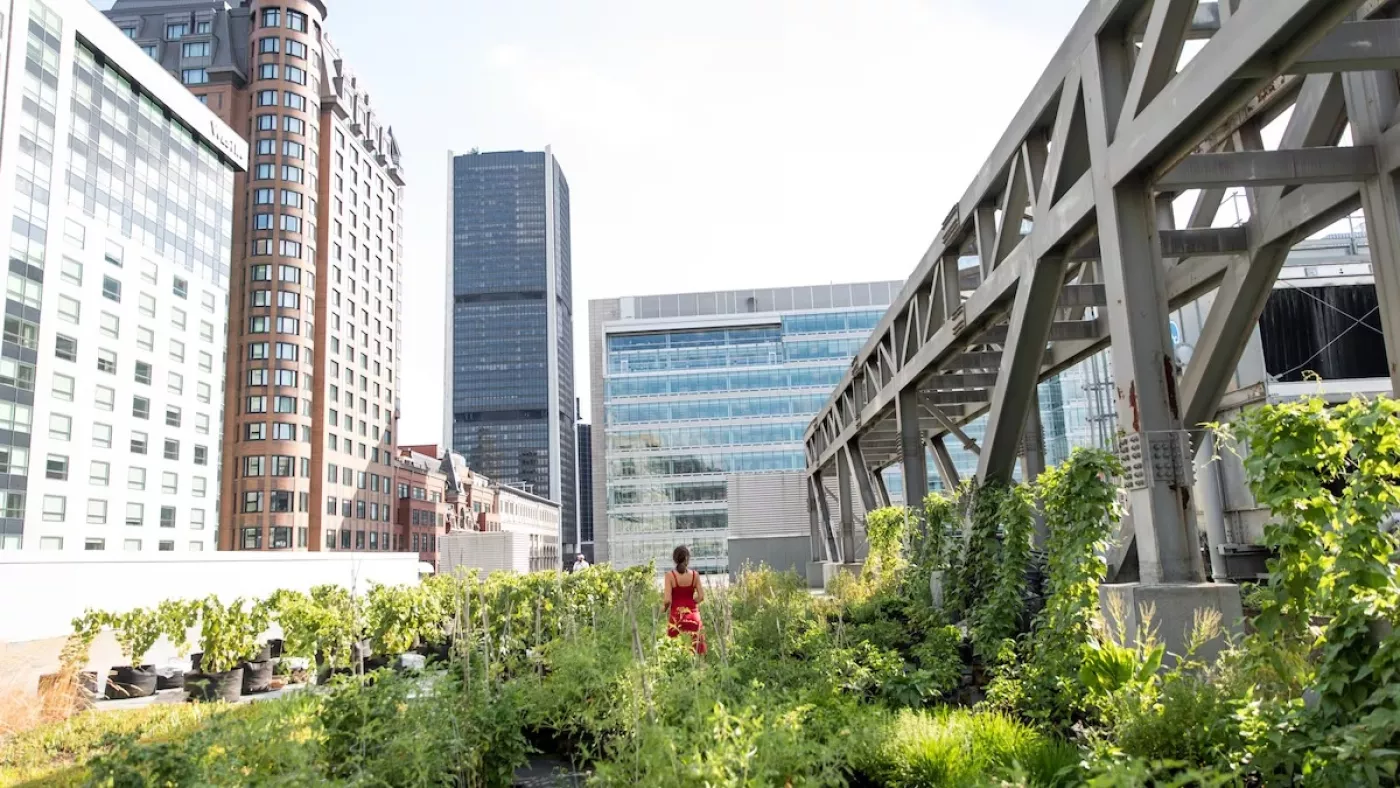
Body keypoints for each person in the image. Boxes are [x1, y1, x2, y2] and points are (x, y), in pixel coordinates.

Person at [663, 545, 706, 654]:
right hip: (693, 616)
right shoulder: (695, 575)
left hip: (676, 617)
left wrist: (661, 611)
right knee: (697, 651)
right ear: (688, 558)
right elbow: (701, 596)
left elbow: (667, 600)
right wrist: (691, 602)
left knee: (674, 651)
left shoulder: (670, 576)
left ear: (674, 559)